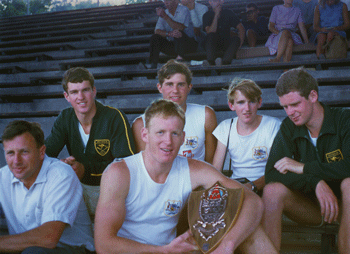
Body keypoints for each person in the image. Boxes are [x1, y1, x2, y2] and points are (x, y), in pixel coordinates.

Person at [94, 99, 278, 254]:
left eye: (174, 133)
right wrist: (163, 250)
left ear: (183, 138)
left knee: (248, 230)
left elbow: (253, 200)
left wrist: (227, 245)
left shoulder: (193, 169)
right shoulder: (120, 172)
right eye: (160, 132)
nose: (168, 141)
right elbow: (103, 245)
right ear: (145, 135)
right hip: (142, 251)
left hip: (173, 249)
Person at [262, 67, 350, 253]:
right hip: (313, 206)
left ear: (312, 96)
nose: (290, 112)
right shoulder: (289, 127)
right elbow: (271, 173)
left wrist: (304, 168)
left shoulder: (344, 119)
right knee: (272, 191)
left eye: (295, 104)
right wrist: (315, 181)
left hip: (346, 205)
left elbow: (348, 166)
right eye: (285, 107)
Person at [45, 67, 135, 220]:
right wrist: (61, 165)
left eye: (85, 90)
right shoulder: (65, 118)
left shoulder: (113, 117)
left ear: (94, 91)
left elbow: (127, 163)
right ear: (66, 96)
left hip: (111, 188)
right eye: (74, 92)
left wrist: (85, 169)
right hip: (80, 188)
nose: (81, 97)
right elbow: (46, 153)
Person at [0, 120, 95, 253]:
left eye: (24, 152)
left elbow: (48, 238)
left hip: (73, 250)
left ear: (41, 152)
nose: (16, 161)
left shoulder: (61, 174)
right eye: (10, 153)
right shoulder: (3, 176)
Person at [132, 59, 217, 163]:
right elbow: (145, 166)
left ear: (189, 87)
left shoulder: (205, 115)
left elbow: (210, 164)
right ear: (159, 87)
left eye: (180, 84)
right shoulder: (141, 123)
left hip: (196, 177)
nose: (175, 90)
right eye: (169, 84)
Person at [212, 79, 281, 194]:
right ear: (231, 105)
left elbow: (278, 170)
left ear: (259, 102)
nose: (247, 108)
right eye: (241, 102)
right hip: (237, 186)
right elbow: (216, 170)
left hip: (267, 186)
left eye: (252, 102)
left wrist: (252, 186)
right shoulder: (225, 127)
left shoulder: (273, 125)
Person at [149, 0, 198, 69]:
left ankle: (180, 60)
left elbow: (180, 27)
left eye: (168, 0)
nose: (165, 2)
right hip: (174, 45)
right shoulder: (165, 12)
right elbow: (157, 31)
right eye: (164, 0)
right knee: (155, 37)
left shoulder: (184, 10)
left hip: (188, 44)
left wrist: (165, 16)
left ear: (176, 1)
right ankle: (153, 65)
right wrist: (168, 33)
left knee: (178, 32)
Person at [202, 0, 245, 66]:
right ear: (210, 2)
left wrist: (239, 45)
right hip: (212, 44)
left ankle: (225, 62)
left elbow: (241, 28)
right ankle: (210, 62)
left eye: (219, 0)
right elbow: (210, 31)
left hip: (225, 42)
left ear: (222, 1)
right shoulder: (206, 15)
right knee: (210, 35)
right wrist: (216, 15)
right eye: (215, 1)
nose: (218, 2)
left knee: (236, 39)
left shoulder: (228, 13)